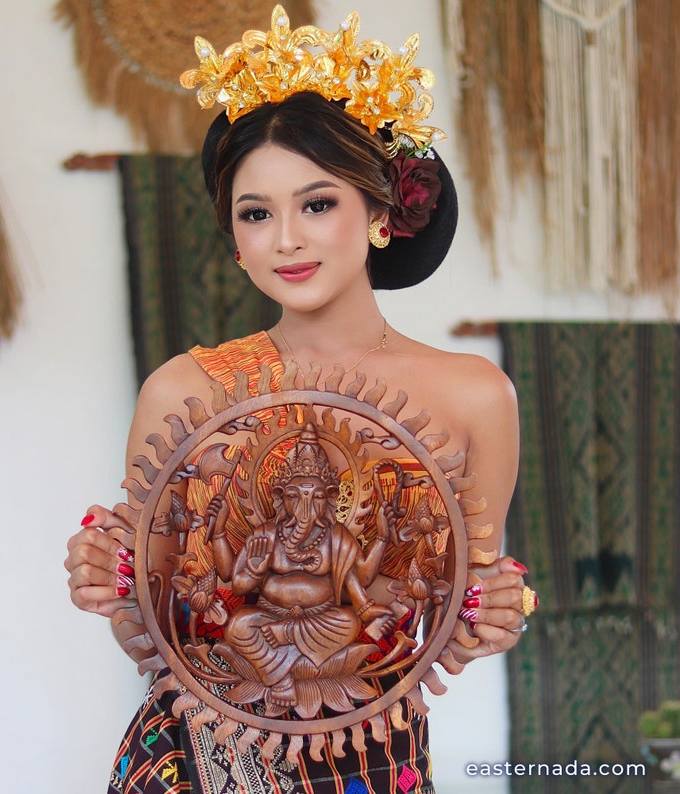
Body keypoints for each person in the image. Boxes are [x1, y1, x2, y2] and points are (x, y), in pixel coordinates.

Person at [64, 7, 532, 793]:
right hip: (195, 755)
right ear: (234, 237)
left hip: (372, 754)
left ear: (381, 214)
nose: (286, 239)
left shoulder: (475, 397)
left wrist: (502, 607)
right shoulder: (187, 390)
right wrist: (108, 574)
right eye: (256, 214)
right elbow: (145, 617)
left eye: (317, 204)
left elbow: (465, 601)